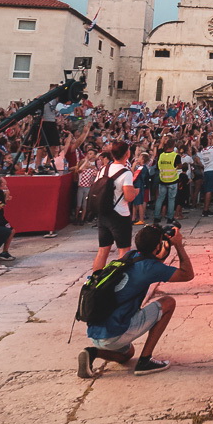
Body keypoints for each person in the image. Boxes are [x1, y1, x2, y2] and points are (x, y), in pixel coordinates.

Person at [78, 222, 195, 377]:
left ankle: (92, 353)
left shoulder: (131, 256)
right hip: (115, 332)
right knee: (168, 303)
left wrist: (162, 246)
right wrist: (178, 245)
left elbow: (154, 262)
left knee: (128, 354)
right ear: (156, 248)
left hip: (97, 333)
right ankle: (145, 361)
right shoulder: (149, 268)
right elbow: (187, 275)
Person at [92, 140, 137, 272]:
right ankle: (118, 280)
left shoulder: (103, 169)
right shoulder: (126, 173)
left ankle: (95, 280)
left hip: (103, 212)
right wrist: (135, 191)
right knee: (123, 250)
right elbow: (129, 197)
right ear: (127, 154)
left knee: (103, 250)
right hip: (119, 214)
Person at [155, 136, 181, 223]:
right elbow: (179, 166)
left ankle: (156, 217)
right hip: (172, 180)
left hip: (162, 179)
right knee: (171, 199)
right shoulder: (176, 156)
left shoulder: (161, 155)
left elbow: (158, 165)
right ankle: (170, 218)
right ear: (174, 146)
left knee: (160, 199)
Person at [197, 133, 213, 216]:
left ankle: (206, 208)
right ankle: (206, 209)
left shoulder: (203, 150)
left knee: (208, 190)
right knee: (209, 191)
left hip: (206, 170)